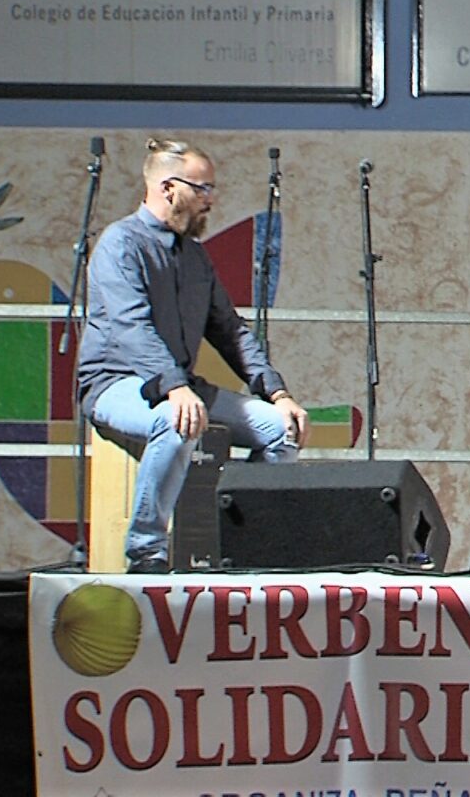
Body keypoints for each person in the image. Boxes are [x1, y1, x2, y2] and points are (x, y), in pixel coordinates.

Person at [77, 138, 310, 573]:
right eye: (202, 189)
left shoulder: (195, 258)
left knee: (282, 431)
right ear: (169, 188)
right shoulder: (120, 244)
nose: (211, 200)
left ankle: (244, 548)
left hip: (179, 385)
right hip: (115, 383)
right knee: (175, 419)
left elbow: (230, 331)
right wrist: (175, 386)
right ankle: (146, 553)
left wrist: (277, 394)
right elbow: (131, 328)